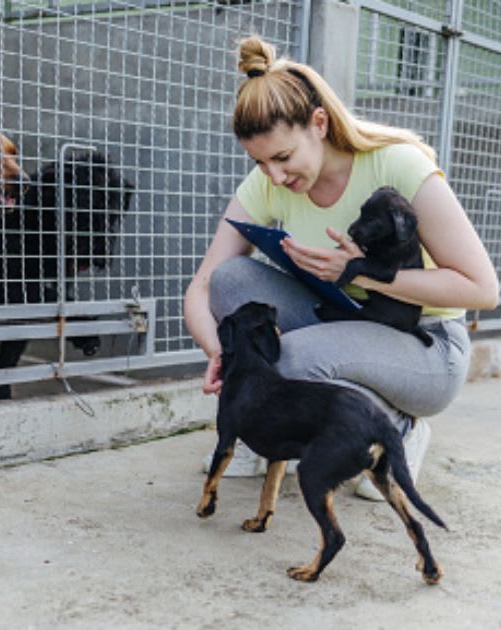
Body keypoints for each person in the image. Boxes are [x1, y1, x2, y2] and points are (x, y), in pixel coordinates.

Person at [184, 36, 497, 499]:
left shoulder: (397, 165)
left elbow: (483, 290)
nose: (274, 176)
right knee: (232, 280)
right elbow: (204, 285)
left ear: (319, 122)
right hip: (348, 317)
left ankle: (398, 428)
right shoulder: (270, 183)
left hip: (426, 344)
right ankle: (274, 435)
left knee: (291, 359)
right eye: (260, 162)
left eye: (283, 157)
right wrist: (220, 354)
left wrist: (357, 272)